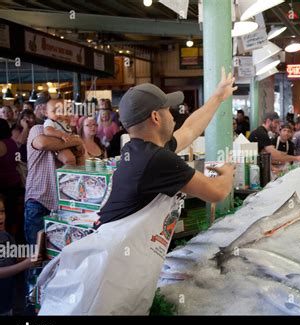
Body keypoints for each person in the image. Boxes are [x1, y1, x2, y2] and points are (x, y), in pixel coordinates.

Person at [98, 67, 237, 226]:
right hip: (115, 248)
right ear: (155, 117)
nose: (172, 116)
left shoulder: (138, 149)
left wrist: (218, 97)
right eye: (168, 109)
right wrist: (227, 172)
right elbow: (216, 192)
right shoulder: (156, 159)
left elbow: (189, 130)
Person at [24, 124, 85, 245]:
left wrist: (73, 142)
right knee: (36, 252)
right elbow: (43, 143)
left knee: (57, 251)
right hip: (38, 199)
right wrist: (75, 141)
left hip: (62, 203)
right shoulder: (38, 128)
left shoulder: (67, 133)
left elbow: (77, 162)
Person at [0, 195, 42, 316]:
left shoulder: (5, 236)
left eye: (2, 211)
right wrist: (25, 264)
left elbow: (13, 255)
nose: (1, 217)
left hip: (7, 301)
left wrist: (34, 255)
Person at [44, 99, 85, 166]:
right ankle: (70, 175)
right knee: (69, 160)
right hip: (60, 146)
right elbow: (48, 131)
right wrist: (61, 135)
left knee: (80, 158)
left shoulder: (63, 122)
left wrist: (78, 143)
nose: (59, 114)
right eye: (55, 111)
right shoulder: (50, 121)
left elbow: (69, 133)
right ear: (46, 113)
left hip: (69, 144)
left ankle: (78, 173)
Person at [0, 119, 22, 235]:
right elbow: (17, 161)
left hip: (3, 184)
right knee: (12, 214)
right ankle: (12, 238)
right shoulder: (12, 142)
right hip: (14, 181)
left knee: (3, 213)